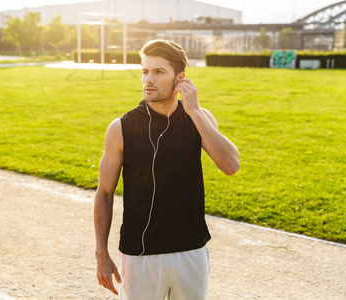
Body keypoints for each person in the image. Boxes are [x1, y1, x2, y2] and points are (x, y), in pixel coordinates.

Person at [94, 39, 239, 299]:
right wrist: (101, 254)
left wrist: (194, 110)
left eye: (159, 72)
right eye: (145, 71)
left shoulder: (199, 119)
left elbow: (230, 165)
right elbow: (104, 193)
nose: (148, 79)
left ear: (180, 79)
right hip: (140, 256)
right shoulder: (120, 128)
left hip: (191, 251)